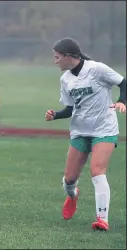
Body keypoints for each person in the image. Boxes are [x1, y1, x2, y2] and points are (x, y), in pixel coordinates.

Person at [45, 37, 126, 231]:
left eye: (57, 57)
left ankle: (102, 219)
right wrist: (55, 115)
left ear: (68, 56)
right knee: (69, 180)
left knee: (97, 171)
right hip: (80, 131)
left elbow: (123, 82)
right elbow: (71, 108)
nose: (55, 60)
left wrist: (122, 101)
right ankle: (73, 196)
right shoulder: (65, 79)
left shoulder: (96, 69)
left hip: (104, 129)